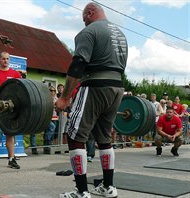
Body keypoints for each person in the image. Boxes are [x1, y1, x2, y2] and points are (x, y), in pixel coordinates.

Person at [55, 2, 128, 198]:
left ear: (89, 13)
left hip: (95, 87)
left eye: (84, 18)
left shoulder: (88, 32)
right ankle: (109, 187)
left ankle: (81, 191)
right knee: (104, 138)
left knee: (74, 136)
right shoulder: (120, 34)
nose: (84, 22)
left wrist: (64, 97)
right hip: (117, 89)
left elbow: (78, 65)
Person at [43, 85, 58, 154]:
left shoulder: (56, 98)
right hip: (47, 117)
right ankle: (47, 143)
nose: (52, 92)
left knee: (52, 132)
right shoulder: (46, 98)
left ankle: (47, 147)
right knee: (51, 128)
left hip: (55, 117)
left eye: (54, 90)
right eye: (51, 90)